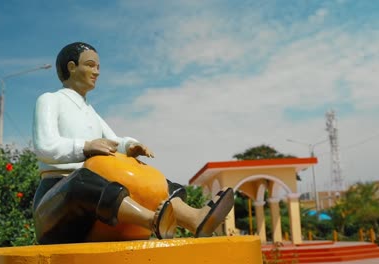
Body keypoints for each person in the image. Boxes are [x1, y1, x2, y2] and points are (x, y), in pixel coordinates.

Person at [32, 42, 233, 244]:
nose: (97, 72)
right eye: (91, 65)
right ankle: (152, 220)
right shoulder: (50, 100)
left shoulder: (89, 111)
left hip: (90, 203)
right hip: (57, 201)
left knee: (154, 181)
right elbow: (45, 146)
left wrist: (129, 146)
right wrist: (86, 146)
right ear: (71, 67)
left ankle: (193, 219)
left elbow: (113, 141)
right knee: (83, 181)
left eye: (98, 68)